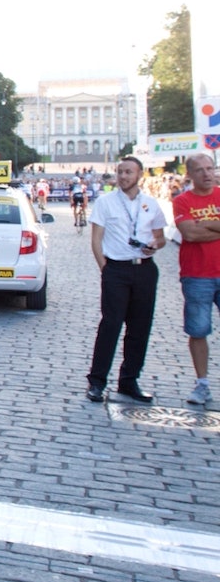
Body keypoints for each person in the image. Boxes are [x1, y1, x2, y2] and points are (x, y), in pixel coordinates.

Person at [85, 156, 167, 403]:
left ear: (139, 175)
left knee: (140, 327)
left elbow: (161, 237)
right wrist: (105, 269)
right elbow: (96, 239)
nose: (123, 176)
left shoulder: (151, 204)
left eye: (129, 172)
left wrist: (155, 245)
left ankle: (129, 380)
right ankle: (97, 381)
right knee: (110, 325)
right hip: (116, 269)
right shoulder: (106, 203)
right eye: (120, 172)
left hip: (144, 269)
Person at [172, 154, 220, 405]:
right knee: (198, 330)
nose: (207, 174)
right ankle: (202, 384)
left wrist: (206, 222)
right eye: (200, 170)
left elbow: (197, 229)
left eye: (210, 168)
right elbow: (189, 233)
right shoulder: (182, 200)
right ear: (190, 174)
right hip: (196, 274)